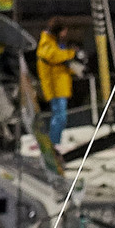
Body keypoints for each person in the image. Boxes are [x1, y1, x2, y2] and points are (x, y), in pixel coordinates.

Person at [37, 20, 84, 149]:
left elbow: (60, 63)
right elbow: (53, 56)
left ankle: (55, 141)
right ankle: (54, 143)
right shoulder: (47, 43)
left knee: (60, 116)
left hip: (60, 85)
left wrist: (75, 67)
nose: (65, 34)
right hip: (54, 86)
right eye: (63, 31)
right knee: (59, 116)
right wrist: (72, 53)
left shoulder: (56, 44)